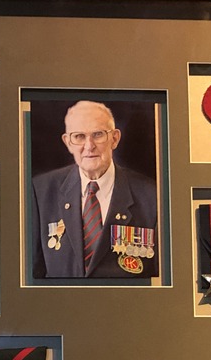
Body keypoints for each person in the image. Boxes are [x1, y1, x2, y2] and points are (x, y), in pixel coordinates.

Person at [31, 100, 159, 279]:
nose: (89, 146)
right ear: (68, 142)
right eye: (79, 137)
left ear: (114, 139)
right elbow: (33, 276)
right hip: (60, 305)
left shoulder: (151, 196)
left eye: (98, 134)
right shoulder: (41, 191)